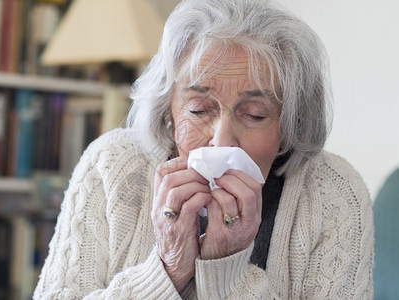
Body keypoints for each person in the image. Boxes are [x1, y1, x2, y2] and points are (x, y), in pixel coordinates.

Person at [34, 0, 374, 298]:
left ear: (289, 127)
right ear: (168, 109)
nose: (222, 141)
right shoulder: (111, 165)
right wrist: (166, 268)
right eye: (199, 109)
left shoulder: (333, 193)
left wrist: (227, 270)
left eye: (255, 115)